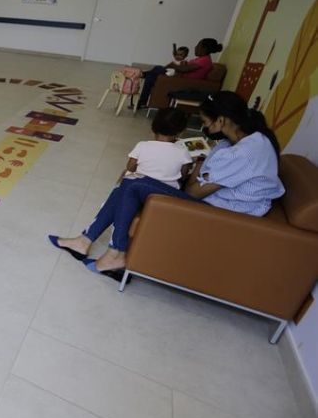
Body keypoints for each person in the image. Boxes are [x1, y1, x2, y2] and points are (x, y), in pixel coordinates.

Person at [48, 91, 284, 276]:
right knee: (131, 183)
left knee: (132, 182)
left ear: (221, 119)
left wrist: (200, 166)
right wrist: (200, 166)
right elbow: (198, 182)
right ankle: (87, 241)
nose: (205, 128)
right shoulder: (240, 141)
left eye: (206, 123)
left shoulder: (243, 153)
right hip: (216, 201)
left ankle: (112, 251)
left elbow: (193, 191)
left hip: (224, 214)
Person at [117, 108, 192, 188]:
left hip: (140, 187)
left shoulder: (142, 145)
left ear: (153, 127)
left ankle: (115, 195)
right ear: (180, 132)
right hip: (165, 193)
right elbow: (183, 176)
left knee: (125, 173)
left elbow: (130, 167)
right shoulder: (183, 151)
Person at [138, 38, 223, 107]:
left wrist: (173, 65)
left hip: (182, 81)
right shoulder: (201, 59)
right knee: (152, 75)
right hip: (180, 78)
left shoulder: (205, 60)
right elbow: (186, 67)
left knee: (156, 70)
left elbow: (184, 69)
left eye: (198, 46)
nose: (195, 47)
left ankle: (142, 77)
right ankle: (143, 99)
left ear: (204, 49)